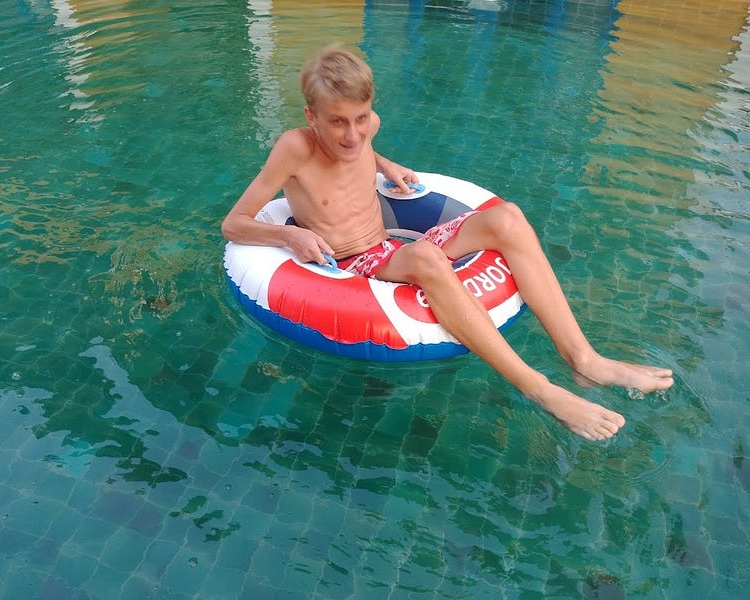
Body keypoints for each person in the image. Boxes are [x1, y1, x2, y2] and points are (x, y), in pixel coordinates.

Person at [221, 45, 674, 441]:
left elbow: (356, 152)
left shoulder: (365, 129)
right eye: (337, 122)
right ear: (310, 117)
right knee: (424, 257)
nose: (353, 134)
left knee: (509, 218)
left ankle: (583, 357)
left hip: (385, 243)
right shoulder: (294, 148)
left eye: (361, 119)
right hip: (349, 264)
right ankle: (541, 389)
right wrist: (288, 232)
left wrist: (384, 163)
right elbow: (233, 224)